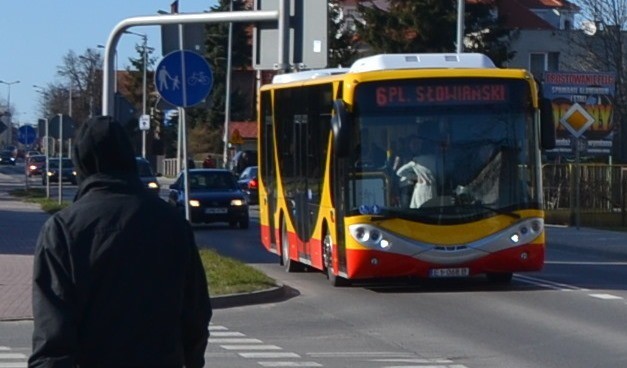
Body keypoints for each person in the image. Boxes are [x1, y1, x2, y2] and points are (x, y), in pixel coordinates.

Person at [28, 116, 212, 368]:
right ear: (128, 157)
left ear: (81, 162)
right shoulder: (172, 223)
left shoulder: (64, 228)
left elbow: (52, 331)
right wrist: (190, 360)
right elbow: (196, 312)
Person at [395, 135, 436, 208]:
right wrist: (414, 177)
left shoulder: (423, 156)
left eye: (418, 144)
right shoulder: (402, 154)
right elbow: (396, 171)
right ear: (409, 144)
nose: (416, 146)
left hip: (421, 187)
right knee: (407, 211)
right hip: (406, 186)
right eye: (414, 143)